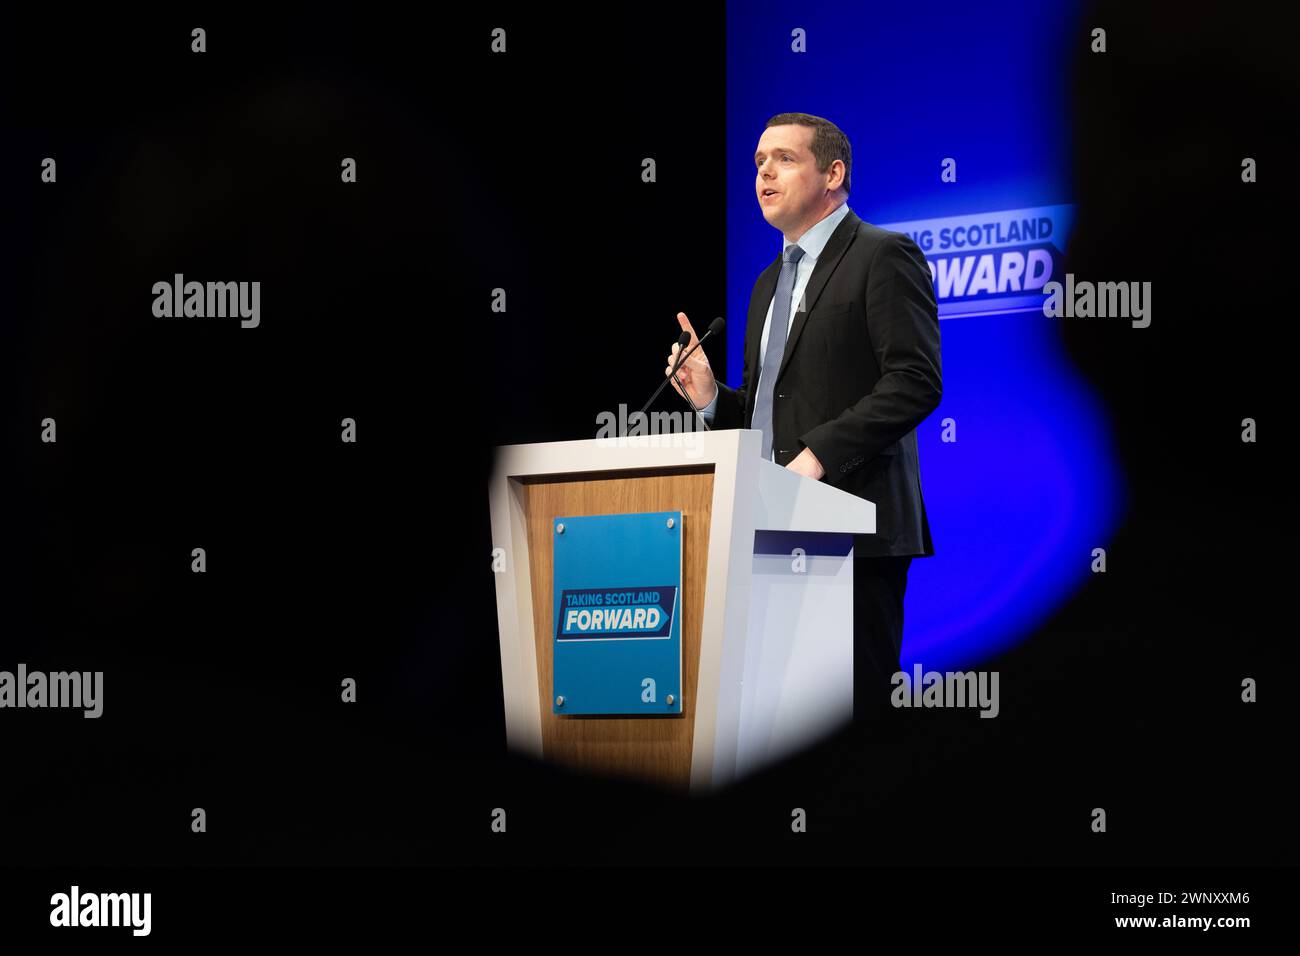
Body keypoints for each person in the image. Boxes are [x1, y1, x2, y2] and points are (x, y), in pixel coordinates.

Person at [664, 112, 942, 723]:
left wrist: (817, 455)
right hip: (767, 533)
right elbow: (772, 414)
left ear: (833, 174)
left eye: (784, 158)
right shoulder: (766, 284)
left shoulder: (882, 256)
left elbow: (914, 382)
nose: (764, 170)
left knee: (853, 719)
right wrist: (713, 397)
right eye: (759, 160)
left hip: (852, 531)